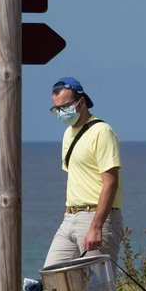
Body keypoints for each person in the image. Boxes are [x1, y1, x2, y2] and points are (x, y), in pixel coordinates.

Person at [43, 76, 124, 268]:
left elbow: (111, 182)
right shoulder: (68, 134)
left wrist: (96, 226)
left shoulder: (102, 132)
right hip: (70, 216)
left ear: (81, 102)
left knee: (98, 288)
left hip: (96, 216)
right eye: (57, 109)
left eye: (65, 106)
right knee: (52, 277)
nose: (61, 112)